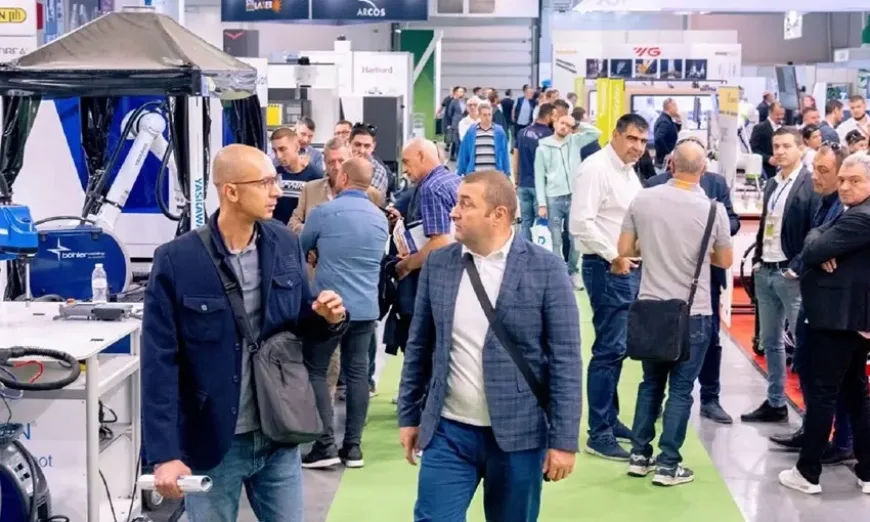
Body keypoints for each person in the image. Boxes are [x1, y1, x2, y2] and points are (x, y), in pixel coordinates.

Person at [142, 144, 348, 521]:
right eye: (265, 182)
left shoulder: (284, 243)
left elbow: (299, 327)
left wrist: (326, 318)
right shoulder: (177, 260)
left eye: (276, 180)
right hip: (213, 442)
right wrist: (165, 453)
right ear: (231, 191)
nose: (276, 191)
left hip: (278, 432)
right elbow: (159, 362)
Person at [398, 170, 582, 521]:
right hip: (448, 432)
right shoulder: (439, 263)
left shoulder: (546, 269)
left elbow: (566, 361)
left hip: (520, 436)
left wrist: (563, 440)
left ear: (498, 214)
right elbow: (419, 345)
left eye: (466, 204)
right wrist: (409, 416)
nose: (454, 212)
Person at [619, 139, 733, 486]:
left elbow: (625, 249)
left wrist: (653, 247)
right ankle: (668, 465)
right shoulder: (713, 210)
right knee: (681, 390)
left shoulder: (642, 199)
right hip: (693, 312)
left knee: (650, 384)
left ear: (670, 164)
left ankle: (639, 456)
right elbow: (724, 260)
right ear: (703, 170)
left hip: (651, 307)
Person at [779, 152, 870, 495]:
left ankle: (808, 472)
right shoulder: (852, 213)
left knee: (823, 394)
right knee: (854, 393)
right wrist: (820, 244)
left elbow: (812, 248)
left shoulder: (860, 217)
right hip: (847, 318)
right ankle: (867, 471)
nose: (844, 186)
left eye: (854, 180)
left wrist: (819, 240)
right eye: (842, 180)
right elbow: (817, 247)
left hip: (837, 319)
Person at [300, 157, 389, 470]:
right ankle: (353, 447)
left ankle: (324, 444)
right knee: (357, 375)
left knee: (316, 370)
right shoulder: (380, 219)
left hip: (329, 307)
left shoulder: (324, 212)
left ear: (344, 178)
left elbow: (300, 247)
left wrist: (318, 254)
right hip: (365, 308)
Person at [570, 113, 647, 460]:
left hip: (625, 267)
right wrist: (614, 255)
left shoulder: (628, 172)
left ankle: (610, 420)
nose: (637, 147)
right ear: (615, 135)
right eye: (632, 138)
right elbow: (580, 223)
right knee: (608, 349)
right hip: (606, 268)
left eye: (642, 141)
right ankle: (598, 432)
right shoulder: (596, 169)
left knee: (617, 349)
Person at [769, 143, 852, 462]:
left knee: (841, 379)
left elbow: (820, 245)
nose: (815, 175)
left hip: (837, 307)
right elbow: (813, 242)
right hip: (814, 297)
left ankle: (842, 441)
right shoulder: (822, 201)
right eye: (815, 167)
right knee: (805, 364)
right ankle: (813, 429)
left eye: (824, 171)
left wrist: (818, 249)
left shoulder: (848, 209)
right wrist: (817, 250)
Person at [645, 157, 741, 425]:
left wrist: (712, 230)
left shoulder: (716, 185)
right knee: (658, 340)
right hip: (662, 281)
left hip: (705, 279)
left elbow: (733, 221)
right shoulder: (654, 186)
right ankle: (655, 400)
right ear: (672, 163)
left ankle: (710, 398)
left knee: (710, 338)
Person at [742, 126, 820, 424]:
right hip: (766, 269)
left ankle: (813, 414)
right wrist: (758, 260)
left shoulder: (809, 184)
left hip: (791, 274)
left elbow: (814, 230)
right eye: (776, 146)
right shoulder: (772, 184)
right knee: (770, 341)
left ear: (801, 148)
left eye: (787, 146)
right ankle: (775, 402)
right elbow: (767, 224)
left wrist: (797, 267)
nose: (780, 151)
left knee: (803, 343)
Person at [534, 113, 601, 285]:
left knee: (575, 238)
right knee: (555, 239)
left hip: (574, 197)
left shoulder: (575, 141)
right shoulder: (542, 148)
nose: (565, 127)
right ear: (555, 123)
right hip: (553, 198)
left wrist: (577, 123)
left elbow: (596, 133)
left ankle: (572, 271)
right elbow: (539, 178)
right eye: (563, 123)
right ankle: (559, 275)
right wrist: (542, 204)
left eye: (569, 126)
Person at [395, 138, 461, 280]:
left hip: (438, 275)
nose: (404, 170)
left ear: (421, 156)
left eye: (406, 162)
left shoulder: (431, 188)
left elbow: (441, 243)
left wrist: (406, 265)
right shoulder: (454, 180)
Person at [289, 138, 382, 236]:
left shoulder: (368, 193)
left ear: (350, 160)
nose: (337, 167)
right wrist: (315, 230)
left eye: (341, 161)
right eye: (331, 162)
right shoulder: (310, 189)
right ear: (325, 163)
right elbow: (292, 224)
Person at [513, 103, 554, 241]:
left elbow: (516, 157)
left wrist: (516, 181)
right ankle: (538, 250)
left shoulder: (522, 132)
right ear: (548, 116)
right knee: (541, 224)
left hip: (523, 183)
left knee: (526, 222)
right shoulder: (548, 135)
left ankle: (524, 250)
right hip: (539, 187)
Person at [269, 127, 323, 225]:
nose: (278, 155)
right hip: (277, 230)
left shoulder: (316, 175)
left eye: (282, 149)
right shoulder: (273, 175)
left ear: (297, 147)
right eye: (275, 150)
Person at [456, 100, 511, 176]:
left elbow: (504, 153)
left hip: (494, 175)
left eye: (489, 114)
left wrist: (507, 172)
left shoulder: (499, 131)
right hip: (476, 174)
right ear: (479, 115)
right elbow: (464, 152)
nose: (487, 117)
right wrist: (460, 171)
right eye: (484, 115)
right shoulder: (471, 131)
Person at [348, 123, 390, 197]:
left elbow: (365, 198)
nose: (362, 150)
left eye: (367, 146)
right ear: (349, 144)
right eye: (357, 145)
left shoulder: (378, 171)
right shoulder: (339, 164)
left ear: (373, 147)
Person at [750, 101, 785, 180]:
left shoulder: (784, 128)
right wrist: (768, 159)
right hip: (765, 170)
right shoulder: (759, 128)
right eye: (777, 114)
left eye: (782, 114)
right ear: (770, 112)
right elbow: (753, 149)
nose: (780, 117)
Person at [653, 98, 681, 172]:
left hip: (664, 160)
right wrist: (667, 152)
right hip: (663, 161)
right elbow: (658, 139)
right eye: (675, 106)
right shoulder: (665, 121)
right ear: (670, 107)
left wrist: (678, 121)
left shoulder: (667, 119)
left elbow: (673, 132)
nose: (677, 109)